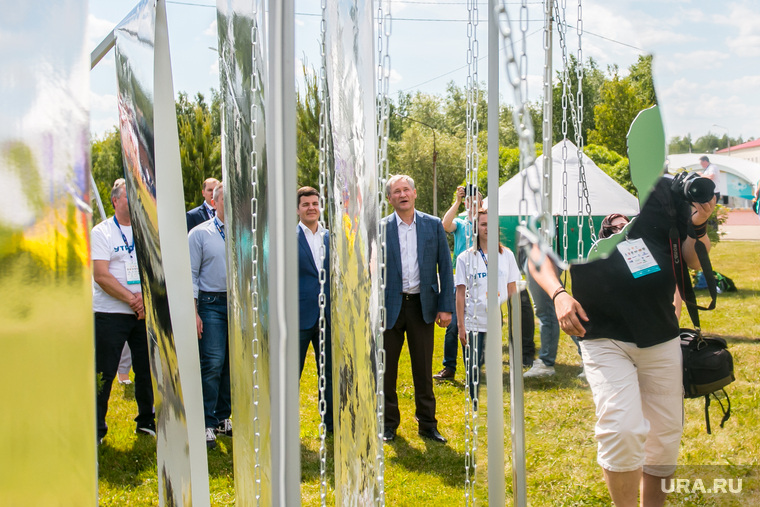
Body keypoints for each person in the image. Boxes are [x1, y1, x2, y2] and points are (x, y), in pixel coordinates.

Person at [528, 176, 716, 507]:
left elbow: (691, 258)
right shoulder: (574, 185)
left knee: (664, 438)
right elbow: (536, 252)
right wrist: (558, 294)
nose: (620, 224)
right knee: (621, 429)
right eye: (613, 224)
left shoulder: (662, 191)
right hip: (602, 337)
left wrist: (699, 223)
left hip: (661, 337)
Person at [382, 174, 454, 444]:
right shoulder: (380, 228)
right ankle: (388, 424)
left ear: (414, 193)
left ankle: (427, 424)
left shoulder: (433, 225)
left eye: (406, 190)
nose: (402, 194)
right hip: (390, 307)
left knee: (423, 369)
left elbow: (445, 268)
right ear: (389, 199)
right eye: (396, 191)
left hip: (423, 306)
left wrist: (446, 307)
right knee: (386, 370)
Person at [92, 178, 154, 443]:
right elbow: (101, 275)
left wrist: (145, 302)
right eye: (129, 196)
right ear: (115, 200)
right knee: (105, 371)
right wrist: (132, 299)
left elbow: (154, 269)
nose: (135, 200)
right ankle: (97, 428)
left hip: (142, 313)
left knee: (146, 368)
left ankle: (146, 421)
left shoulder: (146, 230)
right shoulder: (102, 232)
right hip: (110, 313)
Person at [455, 208, 519, 401]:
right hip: (472, 320)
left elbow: (512, 290)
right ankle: (474, 404)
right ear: (476, 228)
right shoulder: (465, 258)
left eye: (491, 224)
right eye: (483, 224)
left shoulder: (506, 255)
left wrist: (514, 320)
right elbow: (459, 294)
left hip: (494, 320)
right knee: (473, 367)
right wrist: (460, 326)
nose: (487, 228)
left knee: (493, 366)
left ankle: (493, 404)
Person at [189, 181, 232, 450]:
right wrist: (193, 312)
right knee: (213, 361)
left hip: (237, 304)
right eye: (227, 199)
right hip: (210, 302)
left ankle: (221, 417)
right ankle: (205, 421)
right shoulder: (199, 234)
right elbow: (191, 275)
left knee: (230, 364)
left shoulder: (245, 233)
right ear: (214, 203)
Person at [434, 185, 481, 381]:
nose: (472, 202)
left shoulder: (483, 222)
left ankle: (473, 368)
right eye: (469, 199)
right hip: (459, 278)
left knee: (475, 325)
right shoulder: (461, 224)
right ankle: (449, 367)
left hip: (479, 279)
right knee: (454, 325)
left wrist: (478, 209)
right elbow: (445, 225)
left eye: (475, 199)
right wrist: (457, 202)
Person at [296, 186, 334, 433]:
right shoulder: (286, 237)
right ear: (298, 209)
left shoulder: (333, 237)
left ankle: (331, 423)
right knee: (290, 374)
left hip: (329, 316)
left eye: (314, 203)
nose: (311, 208)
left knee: (329, 372)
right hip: (297, 316)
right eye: (305, 204)